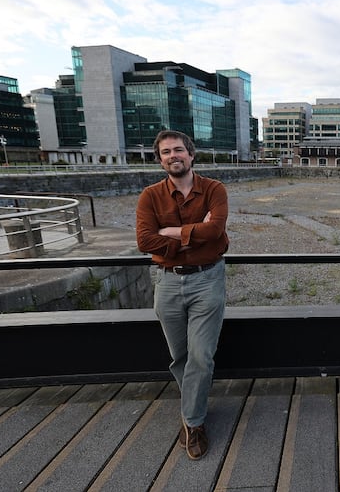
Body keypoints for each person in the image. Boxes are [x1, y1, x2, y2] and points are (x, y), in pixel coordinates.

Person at [136, 130, 229, 460]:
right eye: (165, 152)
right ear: (160, 159)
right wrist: (193, 235)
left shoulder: (214, 190)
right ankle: (195, 400)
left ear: (191, 155)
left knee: (201, 355)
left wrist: (172, 233)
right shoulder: (150, 196)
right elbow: (145, 241)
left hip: (208, 280)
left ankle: (193, 423)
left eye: (178, 150)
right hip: (167, 281)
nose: (173, 156)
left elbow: (216, 232)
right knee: (180, 357)